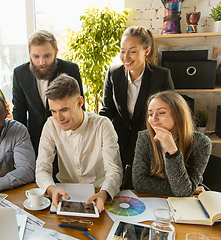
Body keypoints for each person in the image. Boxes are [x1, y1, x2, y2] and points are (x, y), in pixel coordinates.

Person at [99, 26, 174, 188]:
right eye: (122, 51)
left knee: (143, 189)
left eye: (132, 51)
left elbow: (170, 114)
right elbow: (106, 111)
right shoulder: (114, 74)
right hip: (119, 141)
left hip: (149, 143)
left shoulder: (161, 76)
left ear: (146, 51)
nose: (125, 57)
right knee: (118, 189)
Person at [35, 73, 123, 213]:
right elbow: (42, 168)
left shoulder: (103, 125)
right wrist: (51, 190)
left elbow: (115, 171)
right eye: (54, 111)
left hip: (99, 192)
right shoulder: (50, 125)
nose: (59, 118)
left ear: (79, 102)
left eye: (64, 110)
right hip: (64, 194)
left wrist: (103, 194)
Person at [12, 30, 84, 156]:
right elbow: (19, 112)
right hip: (35, 141)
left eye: (47, 56)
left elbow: (79, 107)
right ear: (29, 54)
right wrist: (20, 147)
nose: (41, 62)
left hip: (67, 139)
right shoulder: (19, 73)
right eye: (36, 57)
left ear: (56, 52)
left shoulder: (70, 69)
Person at [132, 91, 212, 197]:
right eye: (150, 114)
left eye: (161, 113)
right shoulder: (144, 138)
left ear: (178, 114)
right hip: (154, 200)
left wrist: (173, 152)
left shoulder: (201, 143)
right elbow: (139, 183)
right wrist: (188, 189)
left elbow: (183, 192)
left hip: (187, 204)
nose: (154, 118)